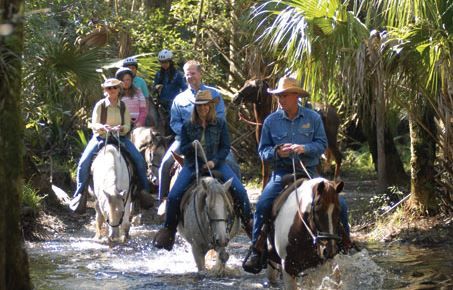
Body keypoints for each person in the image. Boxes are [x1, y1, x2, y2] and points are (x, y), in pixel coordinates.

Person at [242, 77, 351, 274]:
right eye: (278, 96)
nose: (280, 100)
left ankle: (345, 244)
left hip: (309, 172)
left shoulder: (313, 118)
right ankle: (257, 250)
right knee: (263, 205)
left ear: (296, 96)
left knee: (340, 204)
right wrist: (277, 152)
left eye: (284, 96)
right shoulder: (270, 121)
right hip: (281, 173)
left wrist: (304, 148)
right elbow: (262, 151)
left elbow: (321, 145)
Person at [153, 90, 252, 250]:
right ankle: (169, 229)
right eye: (199, 106)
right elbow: (183, 148)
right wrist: (191, 147)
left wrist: (214, 161)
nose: (202, 109)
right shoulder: (187, 125)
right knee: (174, 195)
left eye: (205, 105)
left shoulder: (220, 123)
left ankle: (248, 222)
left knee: (239, 190)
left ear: (211, 106)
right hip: (193, 165)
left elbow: (225, 146)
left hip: (217, 164)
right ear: (195, 108)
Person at [158, 60, 240, 203]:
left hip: (213, 139)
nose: (190, 77)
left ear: (200, 74)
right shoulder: (179, 99)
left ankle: (238, 201)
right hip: (185, 140)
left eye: (193, 73)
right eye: (187, 74)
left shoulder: (214, 94)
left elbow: (220, 116)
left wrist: (207, 129)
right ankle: (163, 201)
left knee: (232, 163)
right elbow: (174, 122)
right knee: (165, 164)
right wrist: (188, 133)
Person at [69, 78, 153, 212]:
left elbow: (127, 124)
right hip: (101, 138)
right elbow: (94, 124)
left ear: (119, 89)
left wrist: (121, 128)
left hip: (120, 138)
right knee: (83, 163)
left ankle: (144, 192)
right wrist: (103, 127)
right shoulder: (100, 105)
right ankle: (79, 195)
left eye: (114, 88)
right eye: (109, 88)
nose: (112, 90)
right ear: (105, 91)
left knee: (139, 160)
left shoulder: (123, 106)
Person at [153, 49, 187, 113]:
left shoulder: (178, 74)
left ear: (170, 61)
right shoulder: (158, 74)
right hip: (161, 104)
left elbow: (185, 89)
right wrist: (156, 88)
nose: (163, 64)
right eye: (161, 62)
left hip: (174, 103)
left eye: (165, 62)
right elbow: (153, 89)